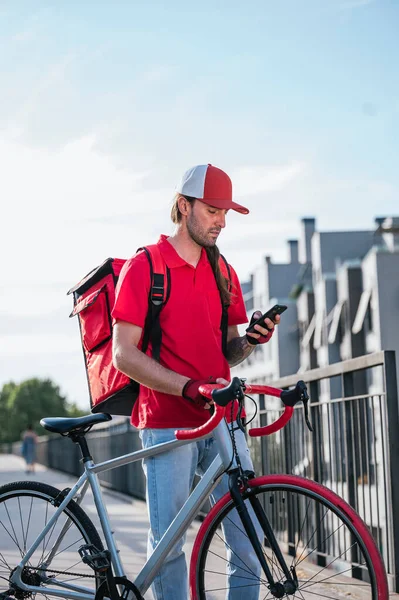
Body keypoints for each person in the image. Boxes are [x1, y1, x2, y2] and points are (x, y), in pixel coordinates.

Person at [112, 164, 281, 600]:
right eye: (212, 210)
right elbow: (123, 354)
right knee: (169, 547)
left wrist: (251, 340)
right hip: (168, 421)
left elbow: (229, 351)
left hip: (223, 417)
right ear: (183, 206)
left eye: (226, 212)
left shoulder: (223, 271)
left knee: (247, 540)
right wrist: (188, 386)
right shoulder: (145, 266)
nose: (221, 221)